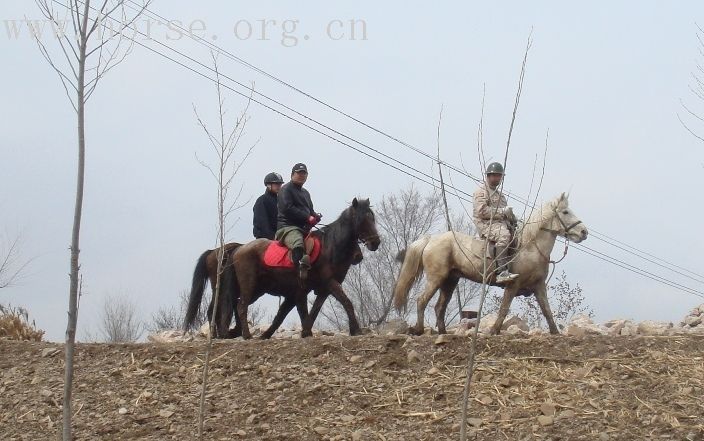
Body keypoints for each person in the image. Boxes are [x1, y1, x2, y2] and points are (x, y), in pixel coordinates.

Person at [473, 162, 519, 283]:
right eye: (495, 175)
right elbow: (482, 211)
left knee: (519, 238)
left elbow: (505, 214)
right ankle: (501, 271)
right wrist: (502, 212)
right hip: (486, 225)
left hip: (501, 224)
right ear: (489, 176)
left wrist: (512, 218)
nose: (498, 178)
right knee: (504, 236)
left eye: (500, 176)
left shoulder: (501, 196)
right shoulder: (481, 191)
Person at [274, 163, 321, 281]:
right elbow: (287, 208)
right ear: (292, 175)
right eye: (299, 173)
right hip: (287, 227)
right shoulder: (285, 189)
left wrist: (315, 216)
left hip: (304, 229)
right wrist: (307, 217)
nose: (301, 176)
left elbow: (310, 210)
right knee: (298, 243)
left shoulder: (306, 193)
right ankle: (298, 270)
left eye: (304, 174)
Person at [253, 172, 284, 239]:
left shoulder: (281, 201)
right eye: (276, 184)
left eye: (280, 184)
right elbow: (262, 222)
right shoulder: (261, 200)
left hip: (280, 236)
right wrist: (272, 236)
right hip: (264, 238)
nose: (279, 186)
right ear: (268, 185)